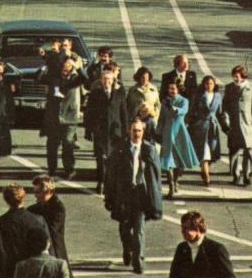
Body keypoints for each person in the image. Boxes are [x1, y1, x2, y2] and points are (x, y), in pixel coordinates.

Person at [104, 118, 162, 275]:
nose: (136, 133)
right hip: (124, 195)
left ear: (143, 132)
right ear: (128, 131)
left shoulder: (149, 150)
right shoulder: (120, 149)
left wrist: (155, 197)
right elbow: (111, 174)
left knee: (139, 229)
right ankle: (127, 247)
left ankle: (138, 261)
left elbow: (156, 176)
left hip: (140, 194)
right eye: (134, 130)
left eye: (139, 131)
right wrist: (109, 195)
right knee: (124, 228)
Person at [0, 183, 50, 278]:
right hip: (33, 271)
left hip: (8, 272)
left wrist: (1, 263)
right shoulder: (38, 220)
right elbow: (47, 245)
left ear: (6, 200)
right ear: (23, 198)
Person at [85, 67, 128, 195]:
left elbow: (124, 113)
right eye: (104, 79)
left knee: (113, 159)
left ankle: (111, 183)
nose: (107, 81)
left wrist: (126, 131)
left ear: (113, 80)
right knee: (100, 158)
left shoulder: (119, 94)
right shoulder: (95, 93)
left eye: (109, 79)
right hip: (100, 131)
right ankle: (101, 182)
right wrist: (88, 130)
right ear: (101, 80)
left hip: (115, 132)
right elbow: (89, 113)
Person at [41, 57, 86, 179]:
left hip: (70, 116)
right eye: (63, 69)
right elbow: (39, 79)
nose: (65, 71)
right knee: (52, 144)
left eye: (67, 69)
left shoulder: (74, 79)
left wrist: (78, 67)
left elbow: (85, 78)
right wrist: (43, 69)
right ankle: (52, 169)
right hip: (55, 116)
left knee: (67, 142)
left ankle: (69, 169)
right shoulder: (55, 78)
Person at [156, 82, 199, 197]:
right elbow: (161, 118)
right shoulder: (165, 101)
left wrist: (173, 107)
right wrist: (158, 132)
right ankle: (171, 186)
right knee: (167, 161)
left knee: (179, 161)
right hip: (167, 133)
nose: (171, 91)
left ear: (178, 90)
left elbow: (183, 111)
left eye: (173, 89)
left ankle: (175, 180)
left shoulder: (184, 101)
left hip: (179, 132)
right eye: (169, 89)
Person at [221, 65, 252, 186]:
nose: (235, 78)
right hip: (234, 124)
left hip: (247, 124)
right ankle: (235, 175)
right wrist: (225, 119)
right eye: (234, 76)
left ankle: (246, 174)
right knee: (233, 151)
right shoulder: (229, 88)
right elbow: (225, 106)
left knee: (248, 151)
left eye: (237, 76)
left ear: (243, 76)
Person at [169, 210, 236, 278]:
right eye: (183, 227)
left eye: (188, 228)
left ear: (198, 228)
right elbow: (174, 275)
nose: (183, 231)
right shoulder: (182, 248)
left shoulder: (216, 249)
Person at [28, 175, 70, 267]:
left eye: (38, 192)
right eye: (34, 192)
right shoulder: (33, 209)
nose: (35, 195)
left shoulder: (58, 208)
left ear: (48, 191)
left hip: (54, 252)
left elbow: (52, 230)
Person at [188, 76, 223, 187]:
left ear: (214, 85)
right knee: (204, 152)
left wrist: (225, 125)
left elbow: (220, 112)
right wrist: (191, 123)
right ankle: (206, 175)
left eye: (211, 83)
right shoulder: (198, 96)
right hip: (200, 127)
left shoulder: (218, 96)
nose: (209, 86)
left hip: (213, 127)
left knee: (212, 150)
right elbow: (192, 110)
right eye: (207, 83)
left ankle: (205, 168)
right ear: (203, 85)